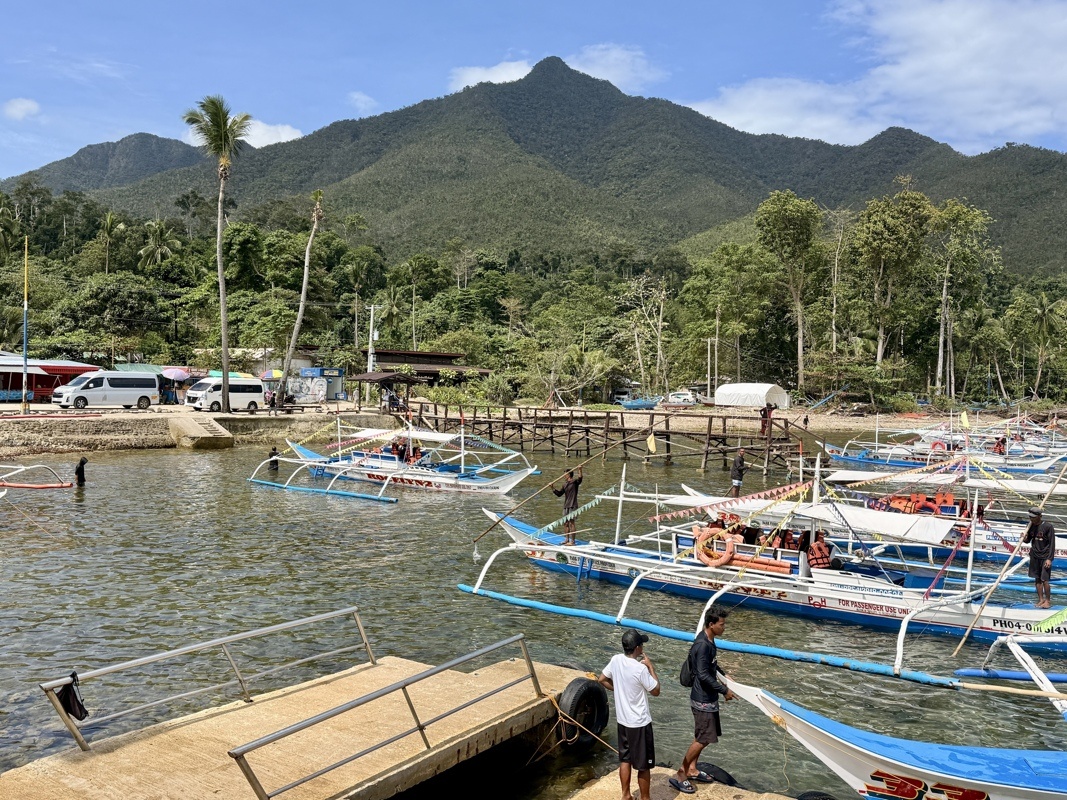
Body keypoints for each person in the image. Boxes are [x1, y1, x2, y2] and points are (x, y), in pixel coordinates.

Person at [673, 607, 734, 794]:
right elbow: (703, 674)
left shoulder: (709, 639)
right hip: (702, 700)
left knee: (702, 736)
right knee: (703, 738)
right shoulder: (702, 645)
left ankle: (692, 768)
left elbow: (710, 664)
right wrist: (724, 690)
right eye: (721, 624)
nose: (724, 628)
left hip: (708, 698)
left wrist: (723, 675)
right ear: (711, 624)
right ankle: (681, 772)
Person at [598, 629, 660, 800]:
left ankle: (626, 795)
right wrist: (650, 667)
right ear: (638, 648)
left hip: (623, 721)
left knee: (625, 759)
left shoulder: (616, 660)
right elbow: (656, 690)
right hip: (639, 723)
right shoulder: (640, 669)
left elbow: (602, 679)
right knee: (643, 766)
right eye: (642, 645)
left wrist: (619, 689)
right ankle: (645, 798)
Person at [1022, 507, 1055, 609]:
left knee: (1045, 579)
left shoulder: (1048, 526)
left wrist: (1049, 559)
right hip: (1034, 555)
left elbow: (1052, 544)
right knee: (1037, 579)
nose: (1031, 519)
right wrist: (1024, 538)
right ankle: (1041, 600)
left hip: (1045, 556)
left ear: (1040, 516)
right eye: (1030, 517)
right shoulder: (1030, 526)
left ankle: (1047, 601)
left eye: (1033, 517)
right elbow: (1028, 540)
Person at [551, 466, 583, 545]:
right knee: (565, 523)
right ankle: (566, 539)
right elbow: (559, 494)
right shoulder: (565, 484)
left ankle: (572, 541)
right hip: (566, 506)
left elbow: (580, 479)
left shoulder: (574, 482)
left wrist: (580, 469)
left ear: (569, 475)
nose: (564, 476)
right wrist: (552, 488)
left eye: (565, 474)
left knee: (572, 523)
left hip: (573, 505)